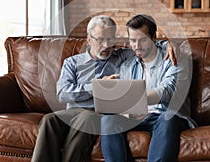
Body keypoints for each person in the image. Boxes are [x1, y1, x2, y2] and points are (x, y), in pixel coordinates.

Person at [31, 15, 176, 162]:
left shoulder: (121, 57)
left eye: (110, 39)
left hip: (98, 112)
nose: (107, 45)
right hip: (74, 111)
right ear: (89, 39)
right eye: (100, 40)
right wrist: (97, 86)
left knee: (88, 118)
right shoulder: (72, 62)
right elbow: (62, 94)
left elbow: (147, 45)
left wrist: (168, 44)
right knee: (49, 119)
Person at [100, 14, 197, 162]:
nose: (137, 46)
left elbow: (167, 91)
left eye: (143, 40)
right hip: (136, 117)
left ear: (153, 38)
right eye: (133, 40)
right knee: (108, 120)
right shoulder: (127, 65)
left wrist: (134, 100)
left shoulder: (174, 58)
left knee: (167, 117)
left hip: (165, 115)